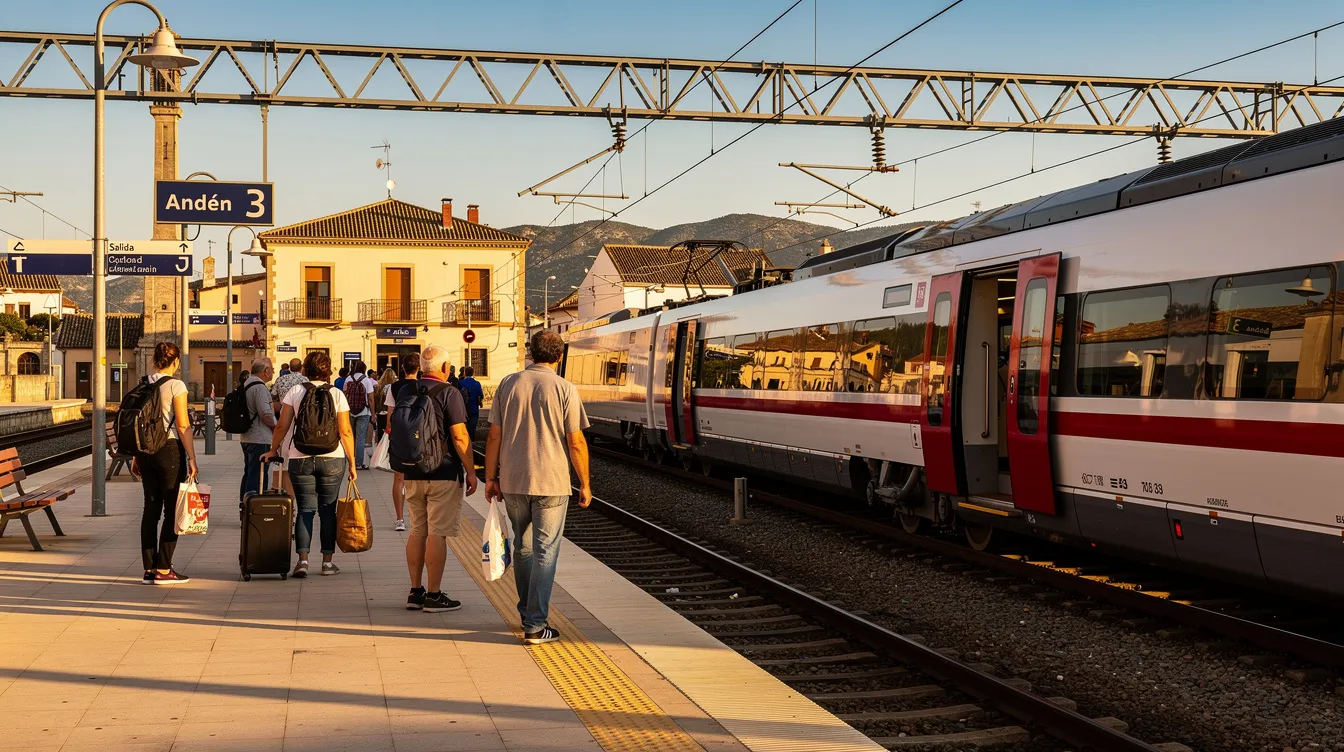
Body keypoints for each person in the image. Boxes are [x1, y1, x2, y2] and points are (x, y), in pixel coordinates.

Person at [485, 331, 590, 644]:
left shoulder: (508, 384)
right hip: (552, 482)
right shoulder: (564, 389)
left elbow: (493, 436)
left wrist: (491, 478)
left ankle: (527, 614)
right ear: (559, 357)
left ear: (530, 353)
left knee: (524, 547)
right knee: (545, 551)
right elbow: (576, 441)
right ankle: (535, 624)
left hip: (514, 481)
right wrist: (584, 482)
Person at [262, 351, 358, 578]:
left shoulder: (295, 391)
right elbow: (345, 431)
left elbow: (282, 426)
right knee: (328, 511)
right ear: (328, 371)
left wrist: (273, 449)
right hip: (333, 457)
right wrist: (353, 463)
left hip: (300, 456)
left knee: (304, 510)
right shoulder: (336, 393)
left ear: (305, 370)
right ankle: (327, 563)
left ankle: (302, 562)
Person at [398, 345, 476, 612]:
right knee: (437, 534)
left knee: (418, 530)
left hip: (411, 471)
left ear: (421, 367)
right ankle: (433, 595)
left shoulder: (405, 390)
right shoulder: (449, 393)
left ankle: (414, 591)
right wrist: (472, 471)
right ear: (445, 368)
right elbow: (459, 436)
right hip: (443, 472)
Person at [132, 342, 199, 585]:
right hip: (168, 450)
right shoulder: (175, 385)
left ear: (154, 361)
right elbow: (182, 425)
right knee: (173, 509)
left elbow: (137, 423)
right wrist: (191, 457)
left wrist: (135, 455)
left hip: (145, 452)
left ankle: (149, 569)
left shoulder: (143, 383)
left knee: (150, 510)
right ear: (176, 361)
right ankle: (164, 569)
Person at [384, 353, 420, 532]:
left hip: (399, 434)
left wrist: (389, 433)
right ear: (418, 368)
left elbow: (390, 416)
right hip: (420, 436)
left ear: (403, 368)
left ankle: (399, 519)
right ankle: (417, 517)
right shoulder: (423, 385)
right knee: (419, 477)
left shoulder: (394, 387)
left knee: (399, 478)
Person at [239, 357, 277, 502]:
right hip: (259, 438)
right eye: (272, 370)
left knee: (249, 474)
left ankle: (244, 506)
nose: (272, 372)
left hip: (247, 437)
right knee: (258, 476)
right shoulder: (260, 388)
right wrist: (276, 427)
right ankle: (253, 509)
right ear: (266, 371)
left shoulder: (246, 384)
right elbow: (266, 414)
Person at [269, 357, 307, 496]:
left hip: (284, 420)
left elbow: (273, 399)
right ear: (301, 367)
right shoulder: (306, 381)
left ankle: (282, 490)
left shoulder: (280, 380)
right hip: (301, 422)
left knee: (283, 457)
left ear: (289, 368)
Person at [343, 360, 376, 470]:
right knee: (360, 438)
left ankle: (350, 461)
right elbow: (371, 399)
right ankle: (358, 463)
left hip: (350, 411)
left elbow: (344, 395)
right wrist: (373, 413)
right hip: (364, 412)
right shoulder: (366, 380)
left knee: (350, 437)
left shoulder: (348, 379)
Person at [458, 365, 484, 440]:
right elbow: (481, 395)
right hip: (474, 407)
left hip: (464, 407)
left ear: (464, 373)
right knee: (473, 424)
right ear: (473, 373)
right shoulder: (477, 383)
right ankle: (472, 439)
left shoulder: (460, 383)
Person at [373, 368, 397, 436]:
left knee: (380, 431)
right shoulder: (393, 387)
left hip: (380, 412)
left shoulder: (378, 387)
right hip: (390, 411)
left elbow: (375, 400)